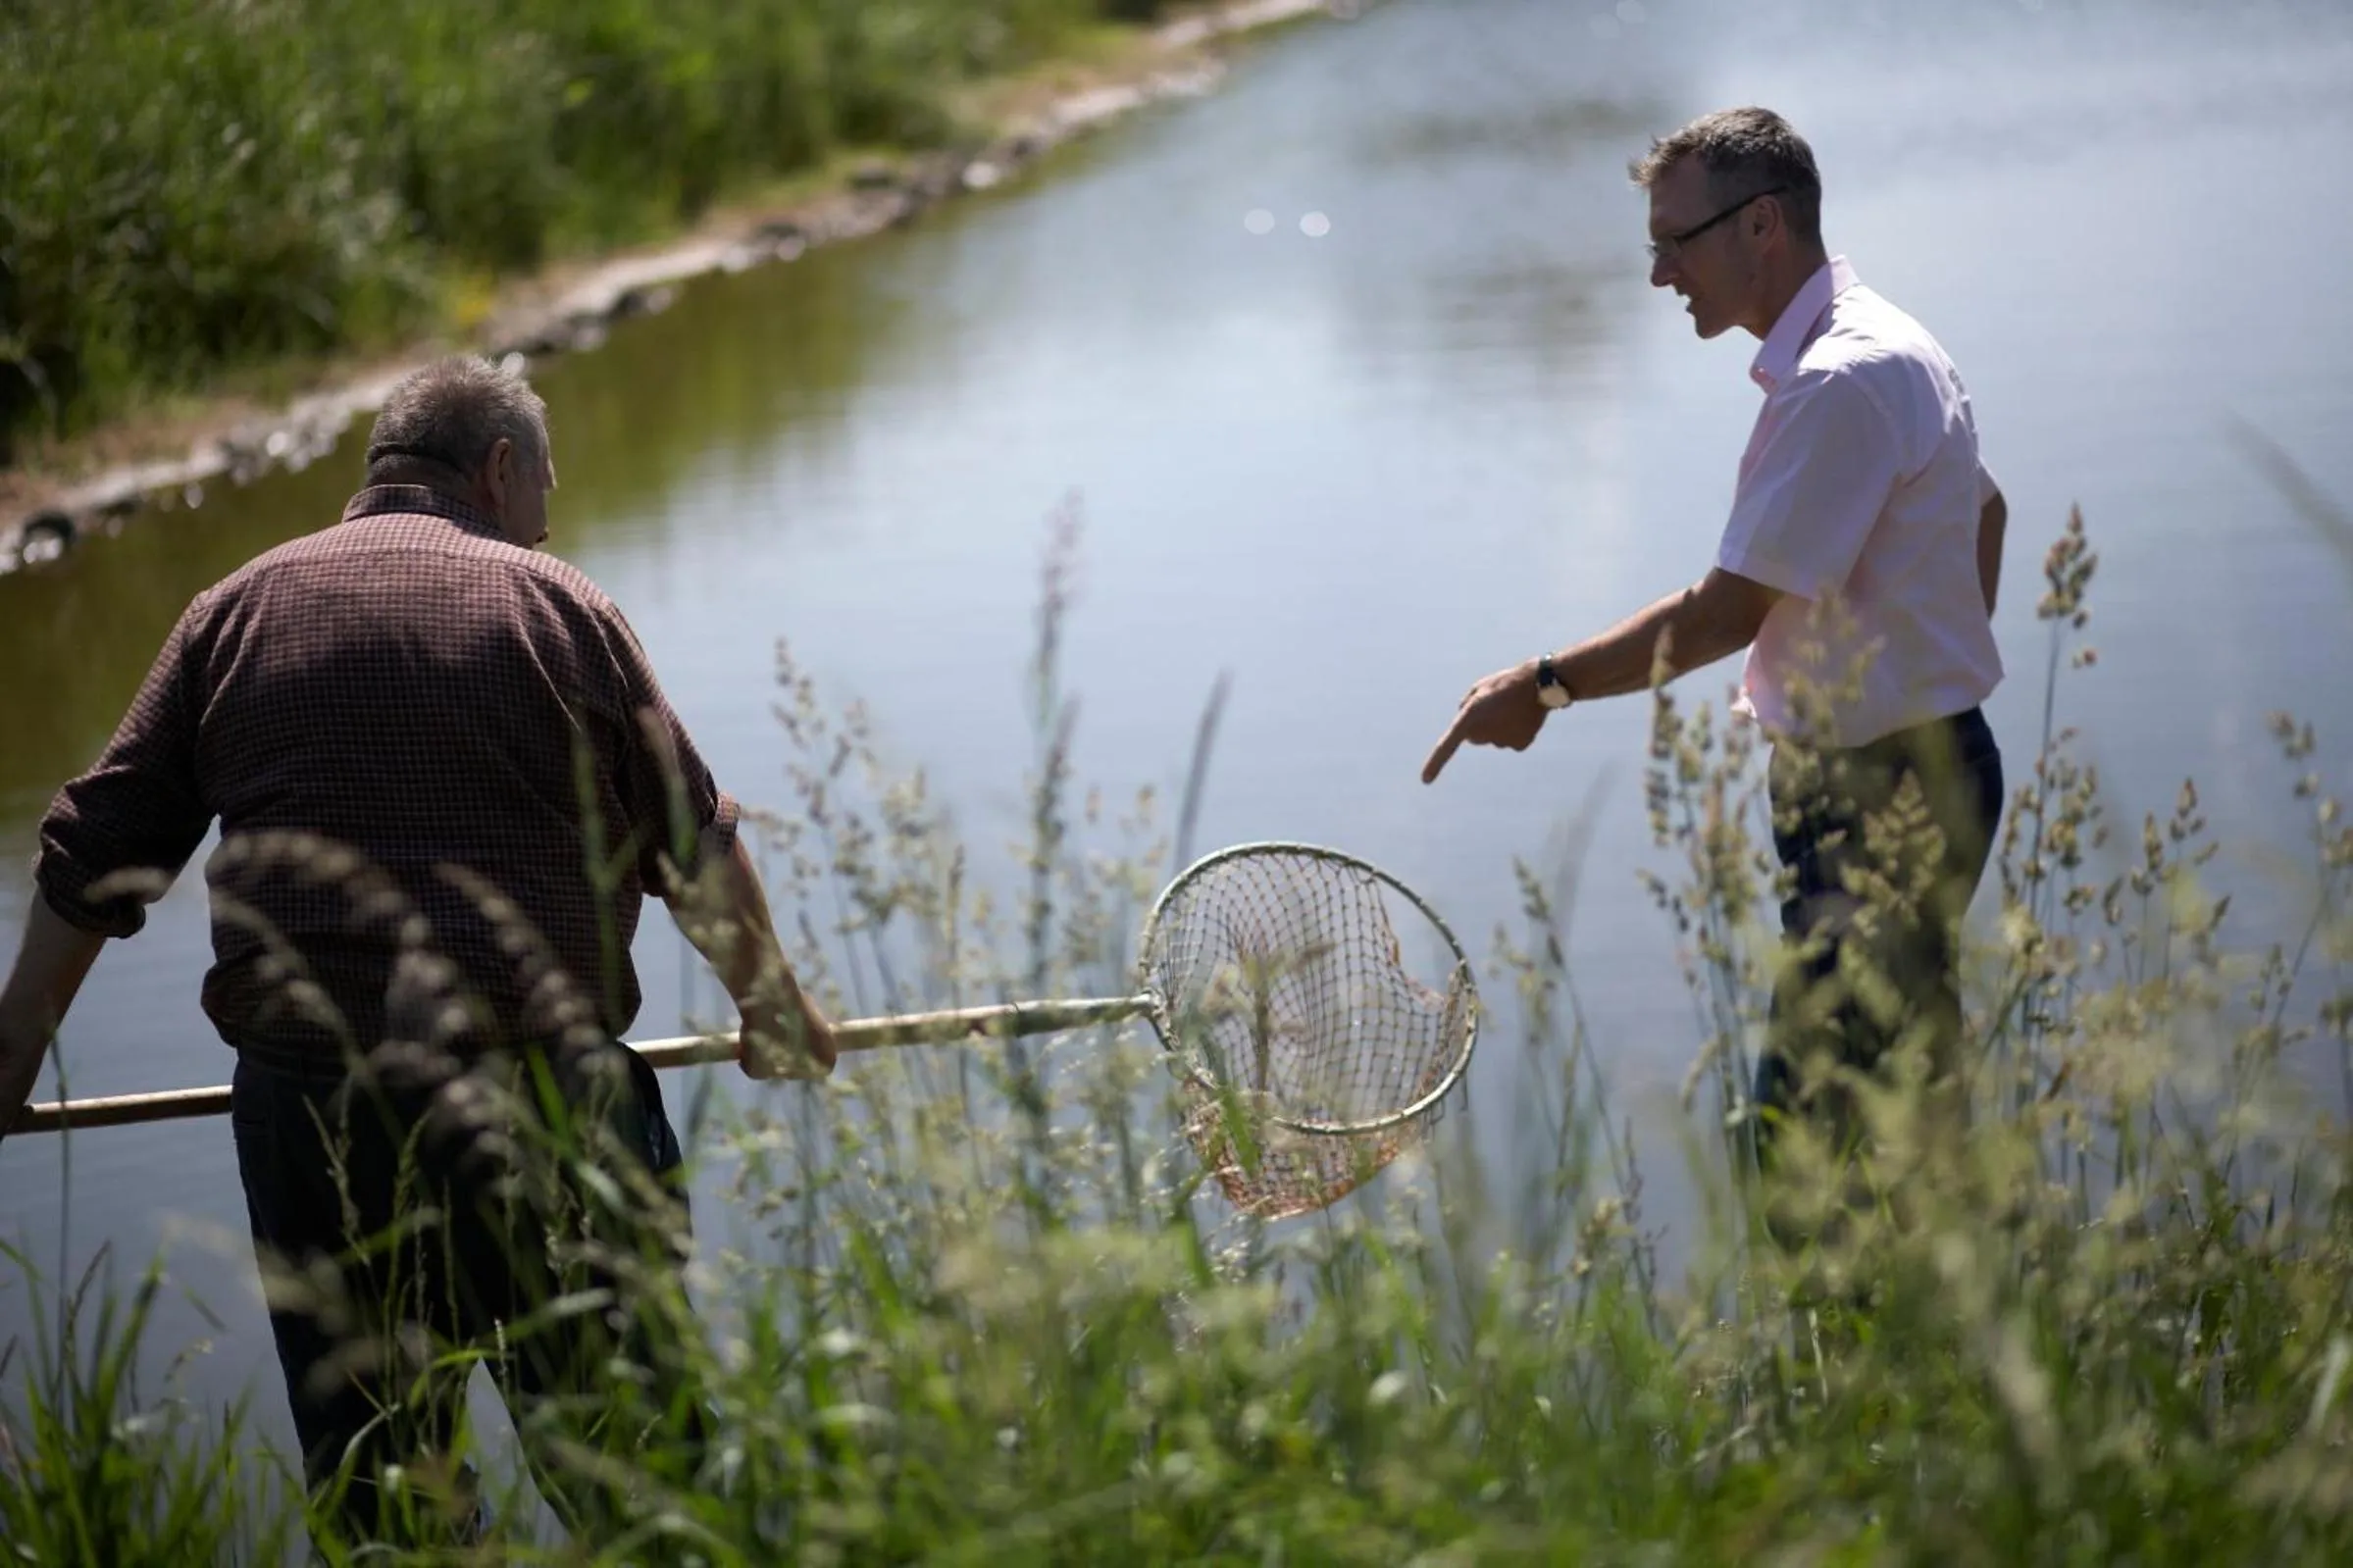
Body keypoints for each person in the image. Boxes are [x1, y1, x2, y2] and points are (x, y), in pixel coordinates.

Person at [0, 355, 838, 1543]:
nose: (547, 523)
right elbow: (688, 840)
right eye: (545, 489)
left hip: (317, 1126)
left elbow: (96, 852)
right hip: (546, 1105)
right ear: (499, 469)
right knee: (642, 1488)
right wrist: (772, 1011)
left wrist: (16, 1044)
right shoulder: (561, 609)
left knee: (388, 1503)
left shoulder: (229, 614)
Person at [1421, 107, 2008, 1168]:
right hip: (1932, 765)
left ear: (1759, 226)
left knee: (1796, 1149)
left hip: (1878, 798)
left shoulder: (1836, 381)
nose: (1657, 276)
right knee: (1911, 1116)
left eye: (1671, 242)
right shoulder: (1887, 342)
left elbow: (1723, 614)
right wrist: (1929, 680)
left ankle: (1855, 1324)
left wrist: (1542, 685)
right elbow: (1987, 512)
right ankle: (1947, 1322)